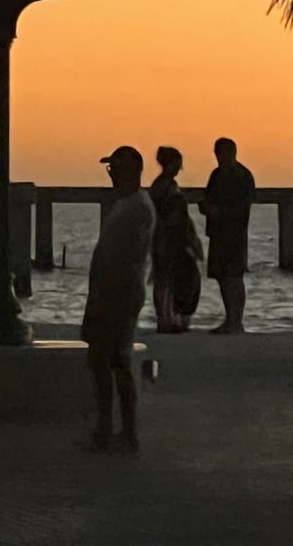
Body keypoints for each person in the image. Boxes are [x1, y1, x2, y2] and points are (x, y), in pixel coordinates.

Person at [81, 146, 155, 453]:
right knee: (107, 359)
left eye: (115, 169)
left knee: (113, 360)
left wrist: (104, 296)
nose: (111, 175)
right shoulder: (128, 205)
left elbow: (125, 258)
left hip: (118, 295)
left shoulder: (136, 208)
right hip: (112, 293)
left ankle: (117, 429)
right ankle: (112, 427)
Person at [200, 138, 255, 334]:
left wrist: (219, 211)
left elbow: (241, 206)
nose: (221, 159)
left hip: (234, 234)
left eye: (224, 154)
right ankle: (230, 318)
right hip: (217, 233)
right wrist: (207, 209)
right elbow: (208, 197)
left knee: (234, 276)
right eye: (218, 155)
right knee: (222, 277)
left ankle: (236, 320)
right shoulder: (216, 175)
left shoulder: (242, 176)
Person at [149, 146, 203, 333]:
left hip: (171, 237)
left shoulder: (165, 186)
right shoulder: (164, 187)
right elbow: (168, 216)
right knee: (164, 278)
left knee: (168, 278)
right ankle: (165, 319)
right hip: (167, 237)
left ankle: (168, 317)